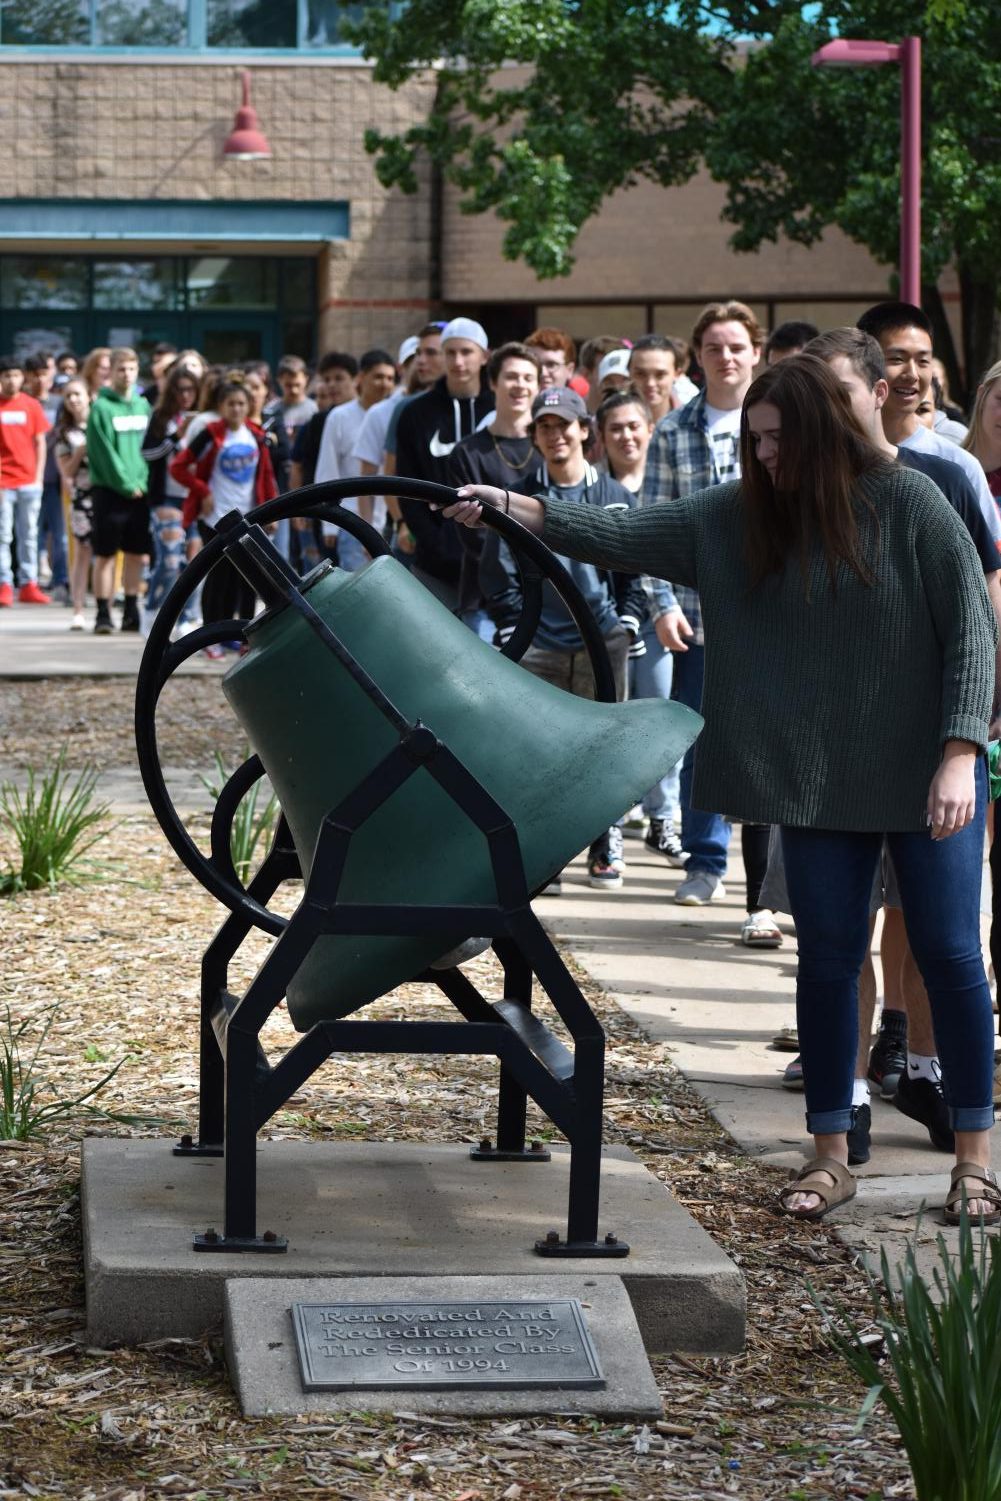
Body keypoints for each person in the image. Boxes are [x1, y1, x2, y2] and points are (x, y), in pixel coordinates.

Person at [441, 353, 1000, 1224]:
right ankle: (827, 1152)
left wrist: (960, 752)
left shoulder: (913, 500)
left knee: (952, 956)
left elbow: (971, 632)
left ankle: (973, 1157)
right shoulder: (739, 517)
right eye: (755, 440)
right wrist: (511, 507)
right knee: (824, 961)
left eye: (777, 439)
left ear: (818, 431)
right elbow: (618, 533)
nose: (764, 455)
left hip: (929, 774)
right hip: (816, 784)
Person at [478, 384, 645, 890]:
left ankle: (604, 846)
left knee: (607, 746)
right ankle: (544, 855)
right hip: (541, 644)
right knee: (539, 751)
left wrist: (629, 619)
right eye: (544, 428)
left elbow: (636, 562)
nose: (555, 436)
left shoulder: (614, 496)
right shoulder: (520, 495)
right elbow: (496, 566)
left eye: (563, 426)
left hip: (604, 639)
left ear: (583, 431)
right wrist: (514, 624)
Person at [643, 299, 767, 911]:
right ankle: (704, 859)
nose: (726, 357)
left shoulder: (782, 426)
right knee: (697, 740)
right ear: (698, 355)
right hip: (696, 615)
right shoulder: (671, 431)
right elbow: (654, 525)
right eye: (714, 347)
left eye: (737, 346)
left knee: (768, 742)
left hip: (772, 615)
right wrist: (661, 602)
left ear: (757, 352)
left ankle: (768, 888)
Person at [596, 389, 685, 866]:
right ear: (601, 436)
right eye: (616, 428)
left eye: (635, 426)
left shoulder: (664, 482)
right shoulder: (596, 488)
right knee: (616, 728)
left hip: (658, 621)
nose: (627, 436)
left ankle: (662, 818)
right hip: (612, 624)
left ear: (650, 430)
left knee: (660, 723)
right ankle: (607, 828)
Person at [856, 302, 1000, 543]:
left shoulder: (958, 465)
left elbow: (991, 570)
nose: (912, 374)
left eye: (923, 361)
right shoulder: (834, 455)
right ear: (862, 363)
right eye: (897, 359)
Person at [169, 377, 278, 656]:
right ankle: (211, 636)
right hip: (215, 517)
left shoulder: (255, 434)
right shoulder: (210, 433)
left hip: (249, 514)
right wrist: (202, 491)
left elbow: (265, 475)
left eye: (241, 403)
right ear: (221, 406)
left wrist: (271, 508)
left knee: (246, 578)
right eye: (231, 404)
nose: (237, 409)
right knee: (218, 577)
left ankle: (241, 636)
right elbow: (179, 467)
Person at [395, 316, 494, 613]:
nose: (458, 361)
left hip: (495, 562)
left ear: (484, 356)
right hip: (435, 566)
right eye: (449, 352)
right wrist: (436, 543)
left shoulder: (499, 408)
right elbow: (407, 485)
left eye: (466, 352)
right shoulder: (416, 413)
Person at [85, 347, 151, 634]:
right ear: (111, 371)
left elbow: (151, 449)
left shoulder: (143, 405)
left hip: (141, 491)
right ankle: (103, 612)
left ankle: (131, 609)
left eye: (132, 369)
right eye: (121, 369)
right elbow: (103, 453)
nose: (127, 375)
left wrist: (142, 483)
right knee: (105, 555)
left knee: (136, 554)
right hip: (110, 492)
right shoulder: (101, 408)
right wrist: (126, 483)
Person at [314, 348, 397, 571]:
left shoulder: (397, 413)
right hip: (353, 521)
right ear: (361, 378)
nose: (384, 383)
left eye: (390, 378)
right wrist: (329, 525)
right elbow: (327, 467)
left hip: (392, 521)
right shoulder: (339, 416)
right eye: (378, 376)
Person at [141, 362, 201, 630]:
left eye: (190, 390)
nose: (185, 395)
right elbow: (147, 453)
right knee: (168, 559)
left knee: (195, 562)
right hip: (166, 497)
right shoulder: (161, 418)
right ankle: (152, 608)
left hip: (196, 497)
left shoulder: (204, 420)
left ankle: (187, 618)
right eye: (179, 390)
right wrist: (175, 438)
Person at [0, 354, 52, 607]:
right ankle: (4, 583)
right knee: (3, 535)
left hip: (28, 480)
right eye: (7, 375)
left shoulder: (31, 405)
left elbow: (40, 442)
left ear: (23, 378)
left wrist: (38, 476)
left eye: (15, 375)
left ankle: (29, 583)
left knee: (30, 534)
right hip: (3, 482)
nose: (11, 380)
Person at [25, 351, 68, 601]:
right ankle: (29, 581)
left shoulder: (59, 403)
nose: (41, 379)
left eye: (45, 373)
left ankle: (60, 579)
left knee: (60, 533)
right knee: (31, 532)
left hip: (57, 477)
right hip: (29, 477)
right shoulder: (24, 402)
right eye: (36, 375)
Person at [53, 378, 93, 631]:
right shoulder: (65, 434)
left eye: (78, 394)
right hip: (81, 497)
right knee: (82, 553)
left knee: (106, 555)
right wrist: (80, 451)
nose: (74, 400)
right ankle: (78, 608)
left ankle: (105, 607)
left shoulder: (101, 424)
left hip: (108, 494)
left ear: (89, 396)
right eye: (69, 396)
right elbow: (66, 471)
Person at [628, 336, 682, 425]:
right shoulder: (605, 422)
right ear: (629, 373)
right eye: (641, 374)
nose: (650, 383)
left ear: (676, 374)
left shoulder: (695, 422)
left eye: (660, 375)